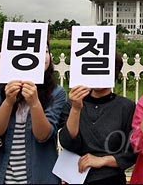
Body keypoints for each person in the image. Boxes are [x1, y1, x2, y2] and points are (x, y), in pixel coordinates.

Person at [0, 39, 67, 184]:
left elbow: (43, 135)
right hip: (4, 178)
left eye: (46, 51)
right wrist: (9, 101)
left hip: (40, 177)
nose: (43, 57)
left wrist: (34, 103)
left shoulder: (56, 93)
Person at [58, 52, 137, 185]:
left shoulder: (126, 107)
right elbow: (67, 142)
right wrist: (76, 109)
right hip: (76, 176)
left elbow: (131, 152)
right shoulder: (73, 104)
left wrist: (102, 160)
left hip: (111, 178)